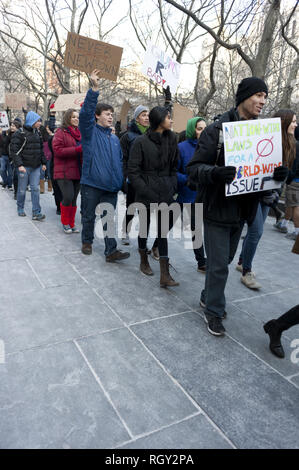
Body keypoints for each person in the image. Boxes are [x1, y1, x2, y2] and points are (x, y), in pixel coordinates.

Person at [187, 77, 289, 337]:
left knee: (225, 261)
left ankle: (207, 294)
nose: (263, 101)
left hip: (243, 212)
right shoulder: (216, 131)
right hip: (215, 209)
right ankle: (213, 311)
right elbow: (194, 169)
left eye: (265, 96)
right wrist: (216, 173)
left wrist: (278, 175)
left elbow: (262, 177)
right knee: (219, 265)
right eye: (258, 95)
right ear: (243, 97)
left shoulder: (263, 134)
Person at [80, 69, 130, 262]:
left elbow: (119, 162)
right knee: (88, 216)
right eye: (107, 114)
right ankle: (87, 241)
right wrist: (94, 89)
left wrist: (120, 182)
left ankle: (111, 251)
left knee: (109, 219)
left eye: (112, 114)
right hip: (92, 183)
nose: (111, 117)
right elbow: (85, 114)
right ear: (97, 116)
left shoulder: (114, 139)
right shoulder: (89, 132)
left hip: (111, 187)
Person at [128, 106, 179, 287]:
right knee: (145, 227)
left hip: (165, 191)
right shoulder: (141, 142)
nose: (171, 120)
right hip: (146, 193)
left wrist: (172, 186)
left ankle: (164, 274)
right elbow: (133, 172)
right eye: (168, 117)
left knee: (163, 231)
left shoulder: (173, 138)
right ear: (159, 120)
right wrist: (146, 190)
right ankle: (143, 260)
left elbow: (174, 167)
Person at [177, 117, 207, 272]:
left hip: (203, 196)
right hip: (184, 194)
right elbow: (173, 172)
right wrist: (187, 180)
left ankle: (201, 261)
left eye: (204, 128)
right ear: (191, 130)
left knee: (197, 229)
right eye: (199, 128)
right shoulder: (181, 148)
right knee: (167, 225)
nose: (202, 132)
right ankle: (155, 246)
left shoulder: (210, 148)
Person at [120, 104, 149, 245]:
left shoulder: (152, 134)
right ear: (137, 118)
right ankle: (125, 231)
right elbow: (123, 159)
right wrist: (125, 178)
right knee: (131, 207)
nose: (146, 117)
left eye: (148, 115)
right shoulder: (128, 137)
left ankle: (142, 241)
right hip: (132, 179)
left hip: (148, 180)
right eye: (143, 115)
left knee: (145, 211)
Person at [10, 111, 47, 220]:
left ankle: (36, 212)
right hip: (24, 167)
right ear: (32, 121)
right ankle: (20, 208)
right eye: (38, 121)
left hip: (36, 167)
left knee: (35, 188)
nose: (40, 123)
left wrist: (43, 162)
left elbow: (41, 149)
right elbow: (14, 151)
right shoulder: (20, 133)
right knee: (22, 189)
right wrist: (20, 165)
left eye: (40, 121)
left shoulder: (38, 133)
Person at [52, 109, 82, 234]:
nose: (76, 119)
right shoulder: (60, 132)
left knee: (74, 198)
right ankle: (65, 222)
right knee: (68, 196)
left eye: (77, 117)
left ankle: (71, 223)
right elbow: (57, 150)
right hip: (63, 171)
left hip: (78, 170)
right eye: (73, 117)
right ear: (67, 118)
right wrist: (77, 150)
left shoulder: (80, 133)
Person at [273, 110, 298, 240]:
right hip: (198, 201)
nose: (296, 125)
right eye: (293, 121)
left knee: (256, 232)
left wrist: (287, 175)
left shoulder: (293, 144)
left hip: (277, 190)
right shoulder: (272, 142)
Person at [40, 124, 54, 193]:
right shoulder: (40, 139)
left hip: (48, 157)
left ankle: (49, 187)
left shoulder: (50, 138)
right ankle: (42, 188)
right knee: (43, 173)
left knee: (48, 173)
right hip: (43, 158)